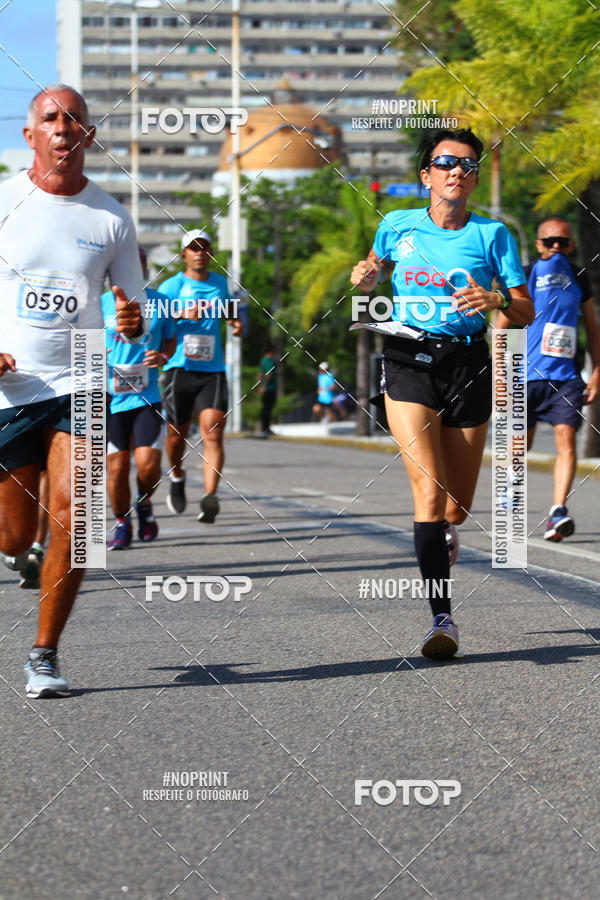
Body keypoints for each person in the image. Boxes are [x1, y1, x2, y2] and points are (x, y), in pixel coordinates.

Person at [351, 128, 534, 660]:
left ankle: (448, 532)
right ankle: (442, 617)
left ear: (474, 179)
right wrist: (365, 279)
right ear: (426, 175)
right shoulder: (396, 224)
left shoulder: (493, 235)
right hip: (408, 360)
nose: (458, 170)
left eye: (469, 165)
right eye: (447, 162)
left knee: (456, 507)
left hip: (467, 365)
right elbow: (372, 273)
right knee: (428, 494)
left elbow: (524, 311)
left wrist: (496, 297)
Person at [0, 85, 144, 697]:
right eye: (50, 119)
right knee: (12, 531)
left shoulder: (111, 217)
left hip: (83, 372)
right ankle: (16, 549)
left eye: (75, 119)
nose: (63, 127)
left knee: (77, 520)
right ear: (30, 134)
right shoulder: (6, 201)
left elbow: (131, 301)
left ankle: (44, 655)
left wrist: (132, 320)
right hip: (11, 383)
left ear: (89, 135)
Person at [496, 217, 600, 541]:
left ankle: (558, 511)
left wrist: (596, 372)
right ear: (540, 244)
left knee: (566, 439)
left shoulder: (579, 278)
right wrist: (501, 374)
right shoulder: (524, 275)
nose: (558, 247)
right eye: (551, 242)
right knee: (520, 445)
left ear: (571, 246)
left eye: (564, 243)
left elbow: (593, 329)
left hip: (566, 377)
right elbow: (501, 328)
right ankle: (512, 485)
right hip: (526, 376)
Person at [160, 229, 243, 522]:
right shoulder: (171, 287)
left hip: (213, 369)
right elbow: (155, 321)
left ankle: (210, 497)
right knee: (176, 434)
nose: (199, 253)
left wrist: (236, 324)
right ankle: (177, 475)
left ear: (210, 253)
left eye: (204, 248)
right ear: (184, 254)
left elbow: (231, 312)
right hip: (178, 369)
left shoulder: (221, 283)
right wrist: (182, 314)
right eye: (193, 248)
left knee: (213, 432)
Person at [103, 247, 176, 550]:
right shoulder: (98, 303)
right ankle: (122, 523)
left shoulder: (161, 303)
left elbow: (171, 340)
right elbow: (76, 342)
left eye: (141, 264)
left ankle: (143, 504)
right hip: (107, 398)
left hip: (146, 397)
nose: (135, 269)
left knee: (148, 467)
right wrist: (95, 353)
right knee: (117, 469)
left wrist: (162, 356)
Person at [258, 344, 277, 436]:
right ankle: (266, 428)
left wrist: (260, 385)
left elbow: (260, 373)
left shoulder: (263, 360)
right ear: (271, 350)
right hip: (270, 388)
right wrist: (264, 386)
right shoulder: (270, 361)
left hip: (265, 388)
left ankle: (264, 427)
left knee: (265, 408)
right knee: (268, 409)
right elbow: (268, 374)